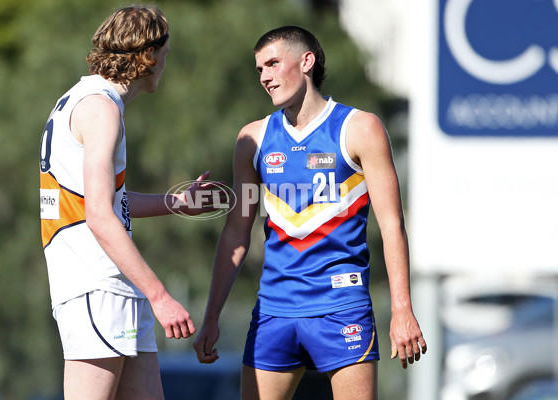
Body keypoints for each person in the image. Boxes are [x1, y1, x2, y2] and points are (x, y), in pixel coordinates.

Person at [193, 26, 427, 399]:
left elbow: (392, 225)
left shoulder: (360, 128)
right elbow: (236, 234)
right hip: (274, 310)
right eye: (259, 70)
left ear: (306, 61)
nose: (265, 77)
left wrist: (402, 310)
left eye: (272, 64)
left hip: (342, 308)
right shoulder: (251, 139)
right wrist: (210, 318)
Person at [39, 5, 225, 399]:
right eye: (166, 55)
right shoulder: (100, 108)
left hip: (116, 286)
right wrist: (161, 296)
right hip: (96, 284)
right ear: (149, 55)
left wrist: (174, 203)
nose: (165, 65)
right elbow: (99, 218)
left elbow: (105, 201)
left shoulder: (87, 99)